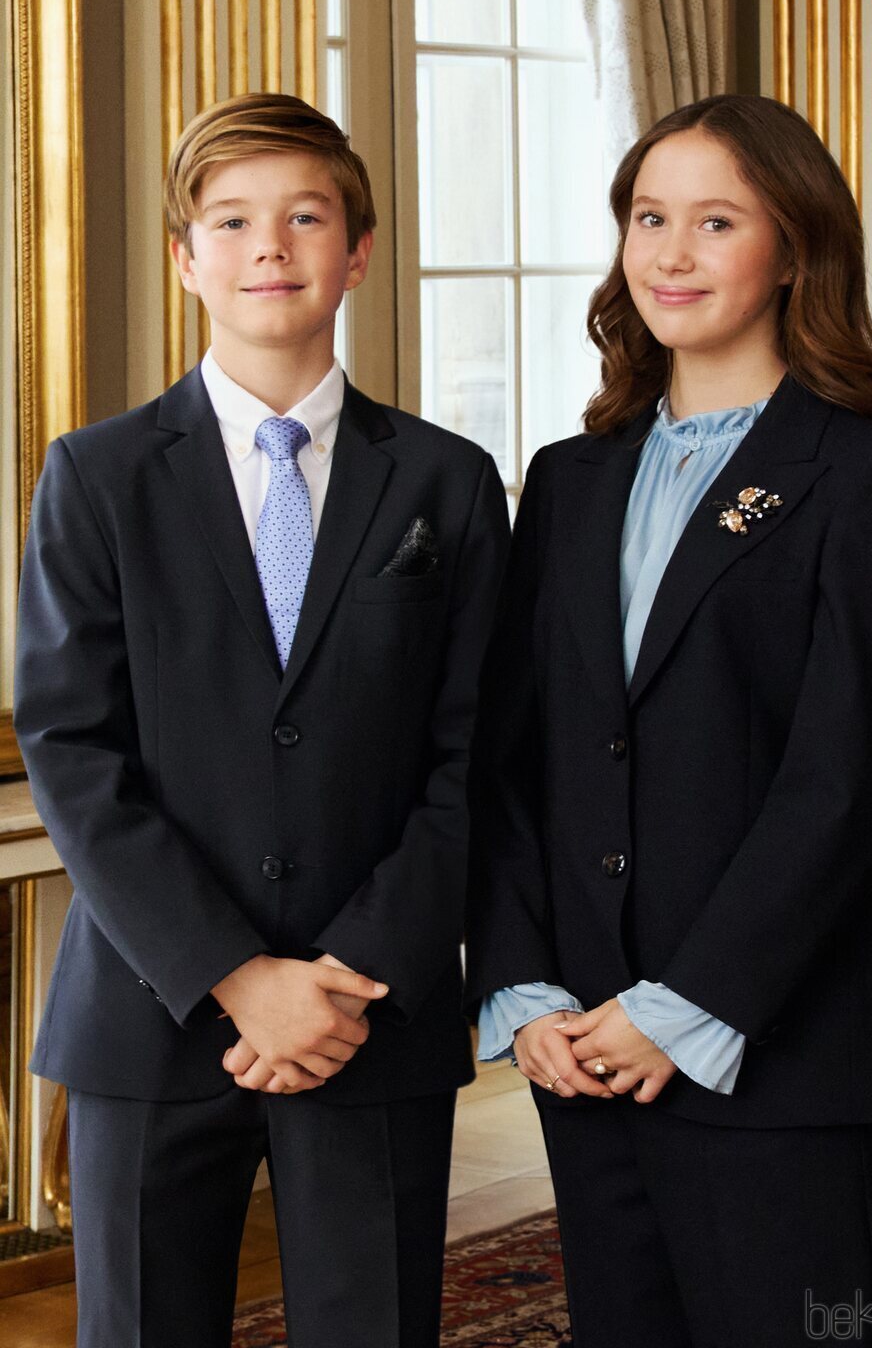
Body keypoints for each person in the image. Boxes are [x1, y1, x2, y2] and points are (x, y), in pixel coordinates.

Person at [15, 91, 509, 1348]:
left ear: (357, 251)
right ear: (187, 259)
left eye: (305, 215)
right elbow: (75, 750)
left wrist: (336, 984)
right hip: (152, 1002)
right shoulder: (98, 474)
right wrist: (236, 976)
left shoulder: (446, 482)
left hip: (369, 1009)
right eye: (230, 221)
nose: (269, 245)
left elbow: (472, 755)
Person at [465, 93, 872, 1347]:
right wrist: (524, 986)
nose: (669, 253)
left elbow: (846, 777)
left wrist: (679, 1005)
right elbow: (510, 758)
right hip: (581, 1046)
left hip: (772, 1050)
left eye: (714, 220)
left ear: (793, 247)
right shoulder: (569, 481)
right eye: (647, 217)